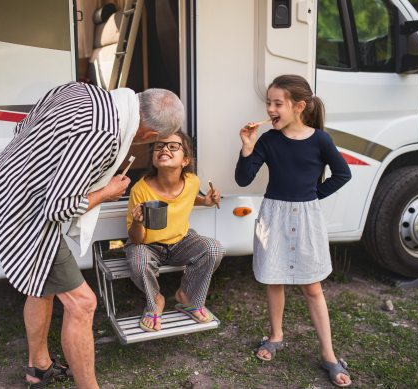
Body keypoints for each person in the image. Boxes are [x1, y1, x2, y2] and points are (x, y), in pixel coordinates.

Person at [0, 82, 185, 389]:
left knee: (42, 285)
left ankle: (39, 368)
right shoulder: (103, 135)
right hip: (27, 213)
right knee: (83, 303)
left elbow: (23, 128)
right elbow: (57, 207)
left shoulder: (79, 90)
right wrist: (106, 192)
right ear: (148, 135)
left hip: (2, 190)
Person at [235, 75, 352, 387]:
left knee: (312, 287)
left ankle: (328, 354)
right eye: (268, 103)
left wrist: (313, 196)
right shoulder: (268, 141)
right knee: (273, 279)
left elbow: (343, 173)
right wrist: (247, 148)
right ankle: (275, 336)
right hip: (270, 217)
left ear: (299, 107)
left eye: (277, 103)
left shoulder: (320, 140)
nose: (270, 109)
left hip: (306, 219)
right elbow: (244, 180)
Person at [124, 130, 225, 332]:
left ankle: (187, 297)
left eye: (173, 146)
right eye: (159, 146)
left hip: (180, 242)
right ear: (154, 157)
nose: (164, 149)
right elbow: (136, 239)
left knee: (214, 249)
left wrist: (206, 201)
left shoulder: (192, 181)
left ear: (185, 160)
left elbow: (188, 197)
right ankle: (155, 300)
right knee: (139, 262)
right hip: (147, 245)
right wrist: (137, 222)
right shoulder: (140, 190)